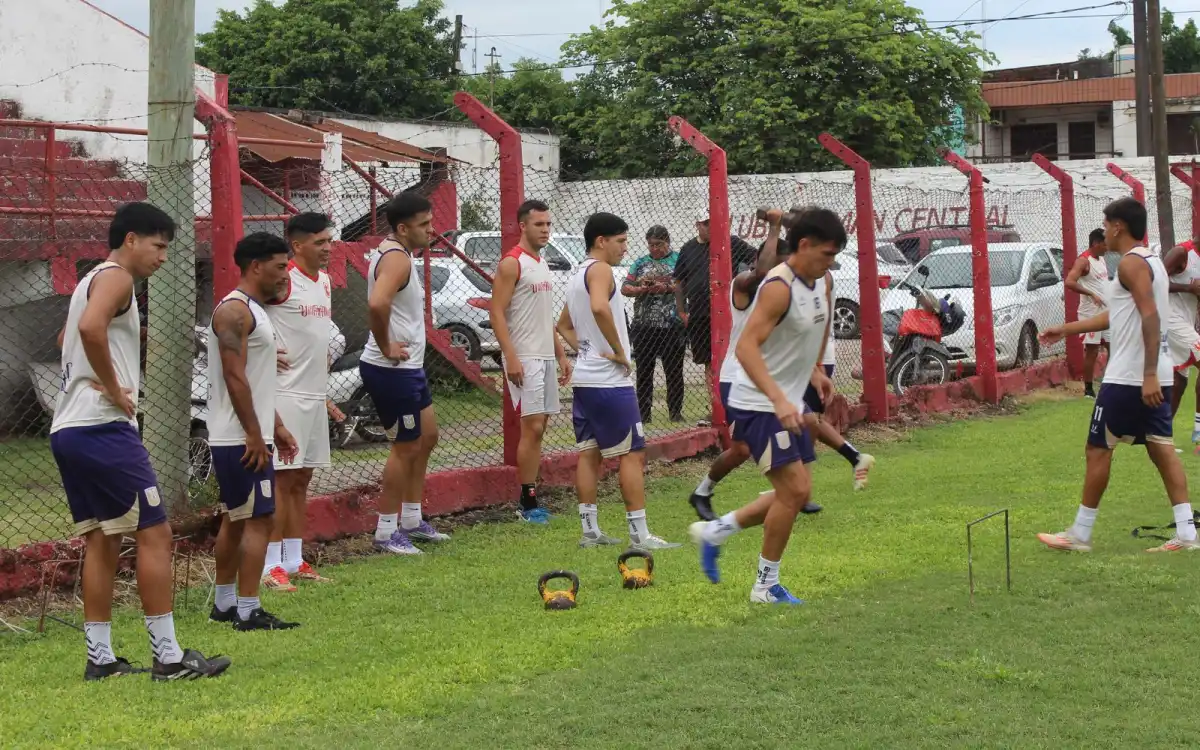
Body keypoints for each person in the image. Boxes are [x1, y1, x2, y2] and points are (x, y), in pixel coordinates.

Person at [51, 202, 230, 681]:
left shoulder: (90, 282)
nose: (164, 256)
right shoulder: (117, 278)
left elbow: (66, 336)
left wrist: (102, 363)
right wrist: (112, 385)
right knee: (155, 533)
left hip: (69, 429)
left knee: (102, 541)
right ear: (131, 239)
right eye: (159, 245)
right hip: (103, 426)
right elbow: (89, 330)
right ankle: (169, 658)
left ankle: (101, 659)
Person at [689, 207, 846, 604]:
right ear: (804, 245)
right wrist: (778, 398)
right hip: (758, 402)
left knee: (796, 490)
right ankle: (764, 586)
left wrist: (814, 370)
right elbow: (745, 347)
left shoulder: (822, 282)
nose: (831, 263)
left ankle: (717, 531)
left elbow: (810, 331)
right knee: (795, 490)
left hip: (784, 400)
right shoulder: (778, 286)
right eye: (826, 254)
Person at [1036, 197, 1195, 553]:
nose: (1104, 231)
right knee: (1161, 449)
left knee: (1097, 448)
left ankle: (1080, 533)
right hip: (1154, 374)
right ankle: (1186, 534)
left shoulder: (1129, 264)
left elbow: (1151, 316)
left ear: (1118, 226)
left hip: (1130, 378)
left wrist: (1149, 374)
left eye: (1106, 225)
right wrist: (1067, 329)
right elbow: (1119, 316)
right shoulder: (1150, 261)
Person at [686, 209, 821, 520]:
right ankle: (703, 491)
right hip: (738, 378)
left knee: (805, 421)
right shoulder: (744, 283)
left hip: (769, 379)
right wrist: (774, 227)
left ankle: (794, 491)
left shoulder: (787, 292)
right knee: (743, 449)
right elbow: (762, 272)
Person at [557, 212, 680, 550]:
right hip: (609, 382)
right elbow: (599, 308)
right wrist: (616, 350)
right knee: (632, 454)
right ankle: (640, 535)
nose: (626, 248)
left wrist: (586, 350)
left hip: (586, 379)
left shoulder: (577, 272)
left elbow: (564, 324)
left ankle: (590, 531)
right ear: (601, 241)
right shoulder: (599, 270)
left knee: (590, 454)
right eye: (621, 241)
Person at [208, 232, 301, 631]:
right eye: (280, 267)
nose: (285, 275)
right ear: (255, 266)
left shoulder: (254, 310)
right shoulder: (234, 311)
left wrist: (275, 425)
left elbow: (256, 378)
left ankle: (225, 604)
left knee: (236, 518)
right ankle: (248, 610)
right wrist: (253, 433)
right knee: (261, 519)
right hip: (237, 436)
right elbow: (234, 376)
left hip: (248, 431)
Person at [360, 192, 450, 554]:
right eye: (424, 225)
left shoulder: (396, 252)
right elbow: (377, 303)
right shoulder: (397, 258)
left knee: (427, 437)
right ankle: (386, 531)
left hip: (408, 368)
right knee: (406, 446)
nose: (432, 230)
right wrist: (385, 346)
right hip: (390, 369)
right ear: (402, 228)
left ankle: (412, 519)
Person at [260, 213, 342, 591]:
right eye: (320, 242)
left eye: (329, 240)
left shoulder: (323, 282)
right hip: (285, 394)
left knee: (302, 478)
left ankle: (293, 560)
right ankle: (268, 564)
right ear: (297, 245)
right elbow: (240, 311)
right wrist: (255, 350)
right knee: (282, 479)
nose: (328, 248)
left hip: (313, 394)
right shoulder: (281, 280)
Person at [489, 199, 573, 525]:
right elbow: (496, 311)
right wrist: (510, 355)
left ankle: (531, 496)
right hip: (524, 357)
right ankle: (526, 501)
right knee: (532, 426)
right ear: (522, 225)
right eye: (539, 224)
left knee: (541, 429)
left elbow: (544, 317)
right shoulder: (512, 263)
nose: (546, 230)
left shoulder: (542, 262)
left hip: (545, 356)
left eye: (548, 224)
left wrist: (562, 353)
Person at [673, 217, 757, 420]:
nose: (711, 227)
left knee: (733, 357)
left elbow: (756, 259)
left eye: (713, 222)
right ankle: (717, 407)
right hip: (700, 314)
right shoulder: (688, 248)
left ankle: (738, 404)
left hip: (727, 313)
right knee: (709, 362)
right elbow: (679, 281)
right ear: (697, 225)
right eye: (706, 223)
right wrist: (681, 310)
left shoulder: (731, 242)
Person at [801, 276, 875, 491]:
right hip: (810, 356)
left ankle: (799, 487)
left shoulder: (817, 274)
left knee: (808, 421)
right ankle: (856, 458)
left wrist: (815, 364)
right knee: (809, 419)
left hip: (814, 358)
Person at [623, 225, 685, 423]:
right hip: (645, 324)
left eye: (658, 245)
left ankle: (675, 412)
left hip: (672, 323)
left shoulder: (678, 260)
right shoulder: (640, 263)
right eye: (651, 245)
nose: (654, 249)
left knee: (674, 370)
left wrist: (665, 287)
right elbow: (625, 288)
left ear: (667, 242)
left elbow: (684, 284)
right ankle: (643, 414)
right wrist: (641, 289)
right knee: (644, 371)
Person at [1161, 236, 1200, 439]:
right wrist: (1188, 288)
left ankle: (1162, 433)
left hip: (1186, 321)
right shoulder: (1181, 252)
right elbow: (1155, 281)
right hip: (1170, 319)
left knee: (1179, 382)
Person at [1064, 229, 1111, 398]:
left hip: (1106, 312)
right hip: (1090, 314)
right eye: (1105, 244)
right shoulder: (1084, 261)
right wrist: (1090, 294)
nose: (1108, 247)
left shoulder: (1102, 259)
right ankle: (1089, 389)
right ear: (1096, 244)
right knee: (1092, 351)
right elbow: (1069, 282)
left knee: (1114, 348)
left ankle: (1109, 384)